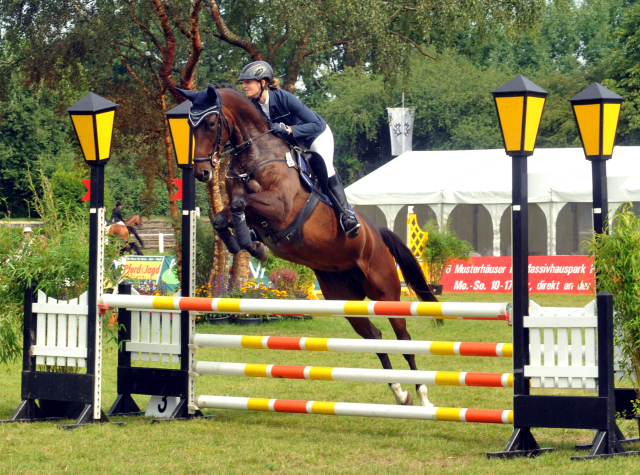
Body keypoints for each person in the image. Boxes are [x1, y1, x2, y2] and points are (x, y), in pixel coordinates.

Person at [238, 61, 360, 238]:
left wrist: (289, 129)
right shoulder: (255, 107)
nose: (244, 86)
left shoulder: (284, 98)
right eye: (244, 82)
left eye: (248, 81)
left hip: (316, 136)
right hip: (292, 143)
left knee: (324, 168)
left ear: (263, 83)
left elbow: (316, 124)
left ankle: (347, 214)